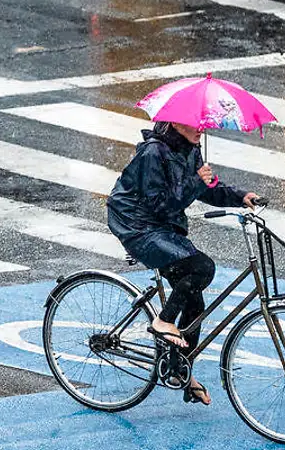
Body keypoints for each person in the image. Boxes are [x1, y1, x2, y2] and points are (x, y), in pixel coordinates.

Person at [107, 121, 261, 406]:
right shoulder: (153, 153)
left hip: (163, 227)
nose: (200, 129)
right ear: (177, 123)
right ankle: (164, 321)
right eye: (194, 124)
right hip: (137, 225)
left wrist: (241, 197)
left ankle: (179, 371)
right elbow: (159, 204)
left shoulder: (191, 149)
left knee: (194, 302)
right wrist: (196, 181)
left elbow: (209, 188)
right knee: (202, 267)